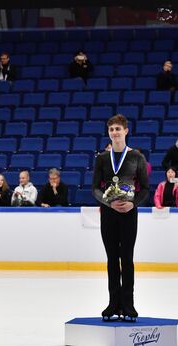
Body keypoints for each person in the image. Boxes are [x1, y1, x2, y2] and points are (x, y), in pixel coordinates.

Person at [92, 114, 149, 322]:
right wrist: (109, 203)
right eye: (111, 130)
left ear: (126, 131)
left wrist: (133, 203)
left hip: (129, 214)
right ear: (108, 133)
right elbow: (95, 189)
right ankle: (113, 303)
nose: (115, 132)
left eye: (118, 129)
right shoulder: (102, 159)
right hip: (108, 213)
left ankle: (129, 305)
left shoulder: (136, 157)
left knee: (127, 258)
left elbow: (146, 189)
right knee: (111, 259)